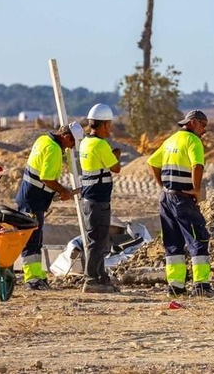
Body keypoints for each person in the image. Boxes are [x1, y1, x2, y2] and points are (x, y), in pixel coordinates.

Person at [147, 109, 214, 297]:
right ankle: (201, 285)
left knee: (173, 241)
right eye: (203, 125)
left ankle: (176, 286)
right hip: (182, 199)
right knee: (198, 237)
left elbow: (152, 162)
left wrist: (163, 186)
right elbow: (197, 166)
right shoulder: (193, 141)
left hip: (166, 198)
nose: (204, 130)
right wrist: (196, 190)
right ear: (192, 123)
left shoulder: (170, 141)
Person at [16, 125, 76, 291]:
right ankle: (32, 279)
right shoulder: (54, 149)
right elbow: (47, 178)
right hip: (33, 201)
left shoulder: (43, 140)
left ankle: (37, 276)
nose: (71, 148)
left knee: (36, 239)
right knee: (32, 240)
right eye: (73, 143)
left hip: (30, 197)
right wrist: (62, 191)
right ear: (67, 137)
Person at [79, 103, 123, 294]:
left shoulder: (85, 143)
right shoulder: (100, 144)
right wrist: (116, 155)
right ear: (104, 125)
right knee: (98, 242)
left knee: (96, 240)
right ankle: (91, 279)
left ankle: (100, 276)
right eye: (109, 124)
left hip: (89, 199)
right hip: (98, 201)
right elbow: (116, 167)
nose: (110, 128)